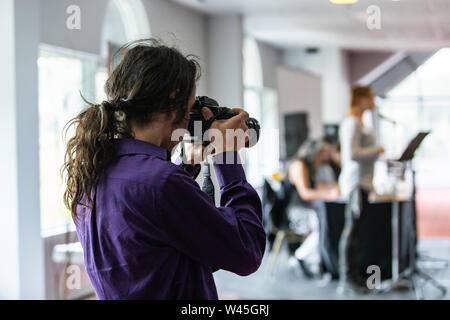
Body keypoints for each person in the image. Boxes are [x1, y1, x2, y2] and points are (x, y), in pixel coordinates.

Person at [62, 39, 266, 300]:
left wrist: (189, 163)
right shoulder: (162, 182)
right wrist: (227, 153)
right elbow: (247, 252)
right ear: (173, 104)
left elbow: (170, 244)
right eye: (190, 105)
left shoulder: (94, 169)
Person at [284, 139, 340, 277]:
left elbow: (316, 185)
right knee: (323, 227)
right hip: (296, 211)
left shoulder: (309, 166)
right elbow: (305, 193)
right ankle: (300, 256)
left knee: (326, 223)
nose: (323, 158)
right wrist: (329, 194)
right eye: (321, 154)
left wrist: (333, 186)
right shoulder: (299, 165)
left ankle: (318, 261)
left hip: (307, 209)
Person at [339, 86, 384, 200]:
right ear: (361, 100)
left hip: (365, 182)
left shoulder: (360, 122)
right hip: (356, 183)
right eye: (370, 97)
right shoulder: (352, 123)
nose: (373, 100)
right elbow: (352, 154)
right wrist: (377, 150)